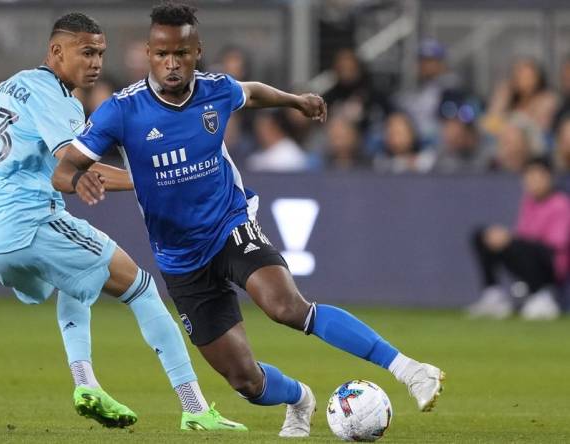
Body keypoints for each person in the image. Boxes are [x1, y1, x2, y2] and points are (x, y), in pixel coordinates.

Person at [53, 2, 444, 438]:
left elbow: (252, 92)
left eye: (181, 53)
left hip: (230, 226)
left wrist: (296, 101)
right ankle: (300, 398)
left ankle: (410, 369)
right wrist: (80, 181)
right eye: (162, 54)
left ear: (197, 52)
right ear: (148, 53)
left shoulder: (215, 91)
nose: (171, 63)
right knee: (244, 380)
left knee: (287, 308)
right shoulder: (121, 111)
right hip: (181, 260)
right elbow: (63, 170)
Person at [0, 12, 242, 432]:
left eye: (100, 53)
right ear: (56, 51)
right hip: (27, 226)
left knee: (75, 280)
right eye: (87, 52)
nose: (96, 62)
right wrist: (154, 180)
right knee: (142, 288)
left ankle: (86, 383)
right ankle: (195, 408)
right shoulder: (59, 101)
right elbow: (76, 168)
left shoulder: (10, 87)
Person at [467, 157, 569, 320]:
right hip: (527, 254)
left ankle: (543, 296)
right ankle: (493, 295)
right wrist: (504, 238)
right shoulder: (528, 201)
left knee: (515, 243)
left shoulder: (561, 204)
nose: (532, 182)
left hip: (552, 264)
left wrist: (511, 239)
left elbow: (555, 244)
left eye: (538, 176)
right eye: (529, 177)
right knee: (482, 236)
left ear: (549, 177)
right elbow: (522, 234)